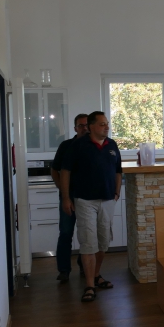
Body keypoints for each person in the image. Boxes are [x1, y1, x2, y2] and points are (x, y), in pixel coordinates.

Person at [61, 111, 122, 302]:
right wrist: (66, 198)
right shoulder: (78, 145)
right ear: (91, 126)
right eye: (102, 124)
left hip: (107, 200)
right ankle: (89, 286)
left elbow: (118, 171)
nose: (107, 127)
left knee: (103, 242)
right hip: (85, 200)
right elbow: (65, 171)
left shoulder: (112, 145)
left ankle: (96, 275)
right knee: (88, 242)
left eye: (107, 123)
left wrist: (117, 192)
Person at [52, 113, 89, 283]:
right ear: (75, 128)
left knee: (86, 234)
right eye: (81, 125)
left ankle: (84, 265)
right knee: (66, 233)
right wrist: (63, 190)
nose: (84, 128)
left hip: (88, 198)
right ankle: (64, 270)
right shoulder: (66, 146)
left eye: (87, 125)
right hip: (68, 198)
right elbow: (55, 170)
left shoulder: (94, 146)